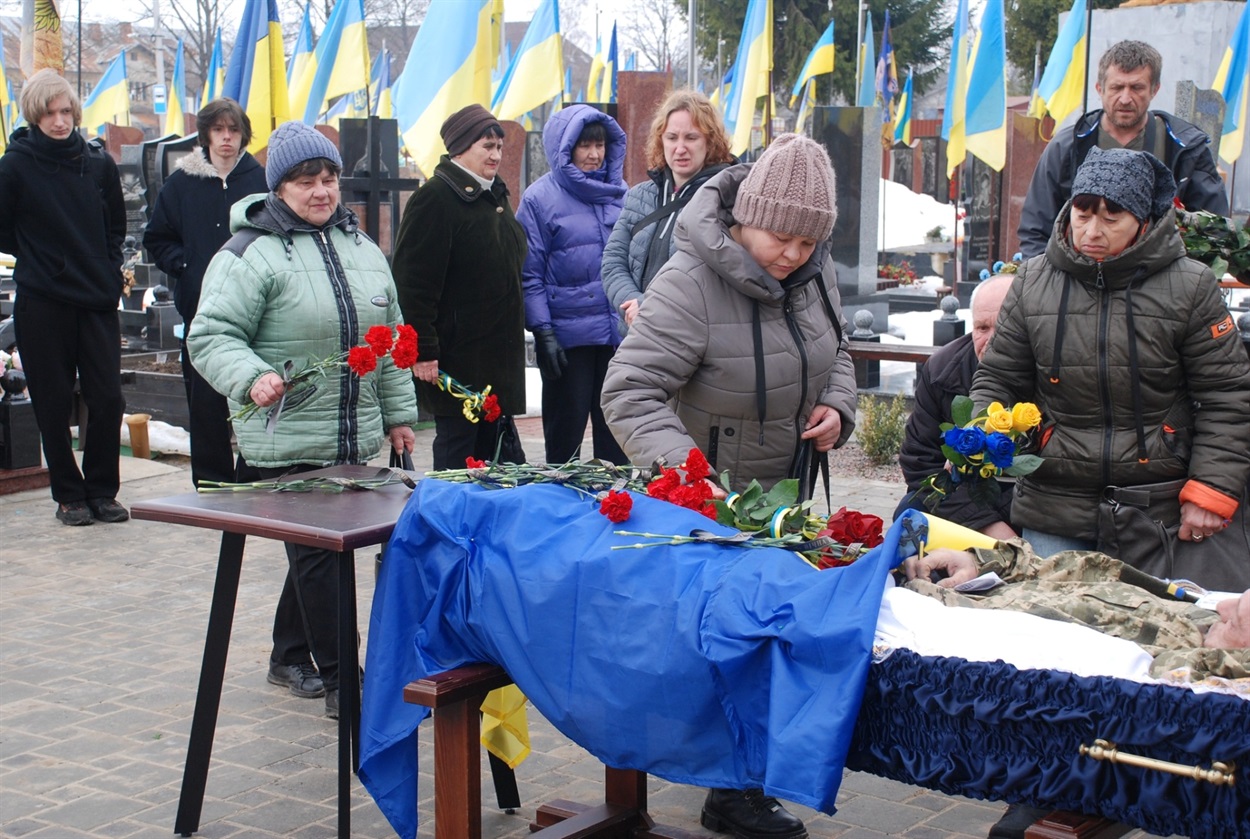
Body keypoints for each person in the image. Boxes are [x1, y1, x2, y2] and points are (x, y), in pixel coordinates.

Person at [601, 133, 855, 839]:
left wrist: (839, 406)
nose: (795, 255)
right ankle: (726, 784)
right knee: (718, 646)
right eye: (783, 237)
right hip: (711, 507)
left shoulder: (813, 271)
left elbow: (836, 351)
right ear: (745, 215)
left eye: (810, 241)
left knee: (767, 639)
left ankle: (739, 785)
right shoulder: (690, 281)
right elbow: (628, 391)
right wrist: (691, 477)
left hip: (782, 496)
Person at [188, 121, 418, 718]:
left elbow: (390, 339)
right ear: (279, 187)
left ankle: (289, 652)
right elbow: (211, 335)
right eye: (306, 181)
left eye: (329, 179)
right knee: (323, 557)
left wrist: (398, 415)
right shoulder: (248, 253)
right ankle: (348, 682)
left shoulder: (363, 249)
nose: (321, 191)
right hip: (285, 433)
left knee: (316, 550)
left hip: (350, 435)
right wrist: (250, 376)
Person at [970, 147, 1250, 586]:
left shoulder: (1191, 285)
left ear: (1143, 220)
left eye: (1111, 217)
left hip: (1155, 509)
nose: (1092, 231)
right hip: (1054, 505)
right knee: (1055, 640)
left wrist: (1211, 490)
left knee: (1149, 644)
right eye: (1082, 214)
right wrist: (978, 437)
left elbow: (1227, 394)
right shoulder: (1033, 280)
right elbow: (999, 376)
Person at [904, 540, 1249, 839]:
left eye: (1236, 619)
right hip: (948, 578)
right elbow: (1081, 567)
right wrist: (979, 561)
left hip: (910, 616)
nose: (1221, 605)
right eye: (1237, 600)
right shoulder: (1193, 612)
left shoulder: (1181, 670)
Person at [0, 69, 128, 526]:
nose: (59, 121)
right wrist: (41, 258)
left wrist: (107, 266)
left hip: (94, 295)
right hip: (42, 299)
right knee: (51, 401)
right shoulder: (15, 164)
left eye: (65, 111)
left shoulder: (98, 163)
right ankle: (69, 494)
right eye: (49, 114)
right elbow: (4, 227)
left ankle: (102, 489)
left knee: (107, 397)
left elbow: (116, 225)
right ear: (35, 117)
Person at [391, 104, 527, 470]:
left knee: (498, 466)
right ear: (460, 149)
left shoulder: (495, 196)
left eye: (500, 146)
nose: (496, 154)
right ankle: (447, 527)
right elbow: (413, 282)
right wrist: (423, 349)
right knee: (458, 463)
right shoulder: (435, 199)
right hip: (458, 360)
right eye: (487, 145)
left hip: (496, 360)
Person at [144, 98, 268, 489]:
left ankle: (255, 476)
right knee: (205, 401)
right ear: (206, 134)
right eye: (218, 130)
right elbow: (158, 238)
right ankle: (213, 483)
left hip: (256, 308)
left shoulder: (262, 182)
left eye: (233, 130)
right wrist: (186, 265)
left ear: (243, 133)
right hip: (201, 309)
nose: (226, 138)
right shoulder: (182, 183)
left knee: (258, 393)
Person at [1017, 40, 1228, 258]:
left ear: (1154, 89)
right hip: (1079, 277)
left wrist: (1188, 283)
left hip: (1162, 280)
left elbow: (1214, 230)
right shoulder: (1067, 147)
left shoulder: (1185, 148)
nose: (1126, 99)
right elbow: (1036, 230)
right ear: (1100, 89)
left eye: (1136, 88)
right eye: (1117, 88)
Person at [516, 105, 628, 465]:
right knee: (565, 445)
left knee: (619, 442)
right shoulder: (539, 199)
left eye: (600, 145)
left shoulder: (620, 192)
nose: (595, 155)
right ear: (564, 148)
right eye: (584, 146)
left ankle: (617, 513)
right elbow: (529, 274)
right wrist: (543, 331)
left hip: (619, 335)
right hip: (569, 340)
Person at [601, 90, 736, 333]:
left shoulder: (726, 199)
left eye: (691, 137)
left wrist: (651, 307)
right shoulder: (639, 195)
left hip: (693, 339)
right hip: (636, 335)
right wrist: (633, 304)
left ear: (710, 141)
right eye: (672, 137)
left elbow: (716, 277)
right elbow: (613, 262)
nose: (680, 148)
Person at [893, 274, 1016, 539]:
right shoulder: (943, 369)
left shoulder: (1057, 373)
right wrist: (986, 525)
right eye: (982, 328)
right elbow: (921, 464)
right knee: (907, 520)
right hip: (962, 501)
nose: (992, 341)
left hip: (1030, 508)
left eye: (1005, 327)